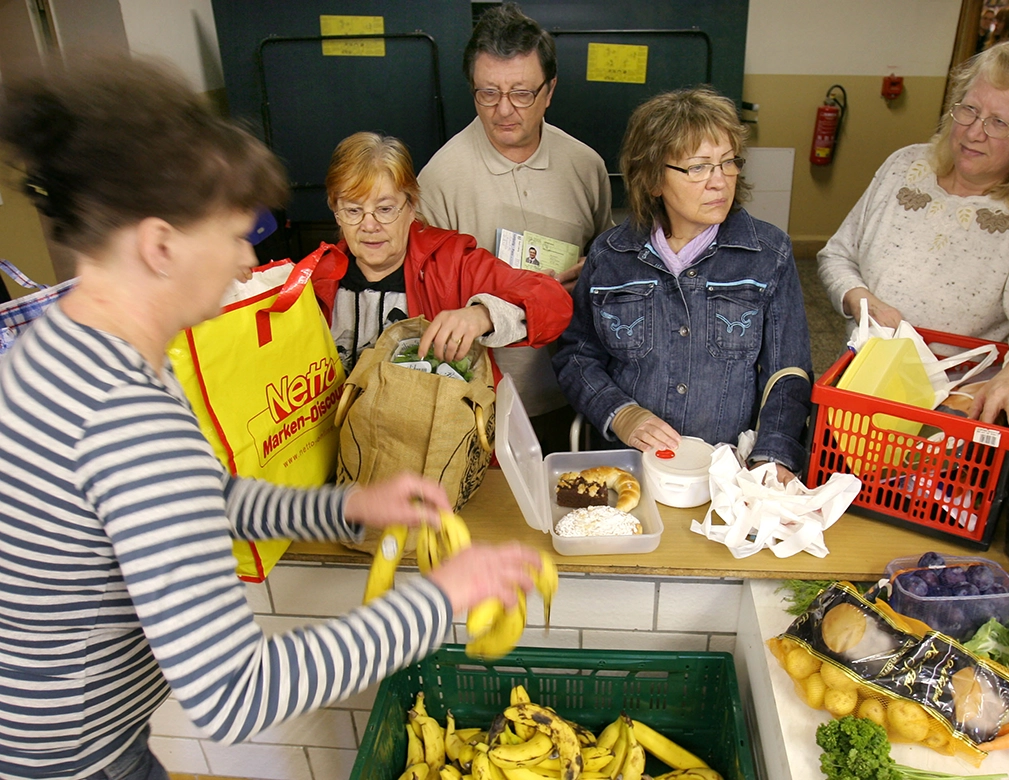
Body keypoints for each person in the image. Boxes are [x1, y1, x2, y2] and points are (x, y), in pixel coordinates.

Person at [0, 58, 542, 780]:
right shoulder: (124, 415)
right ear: (160, 246)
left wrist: (346, 507)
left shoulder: (69, 351)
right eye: (233, 234)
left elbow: (200, 500)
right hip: (70, 764)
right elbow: (236, 693)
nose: (245, 259)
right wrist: (443, 597)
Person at [553, 87, 813, 484]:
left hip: (728, 472)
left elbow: (788, 372)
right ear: (654, 179)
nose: (719, 182)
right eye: (698, 167)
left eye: (728, 163)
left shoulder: (768, 253)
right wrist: (621, 413)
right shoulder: (610, 257)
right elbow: (576, 357)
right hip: (632, 471)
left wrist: (771, 457)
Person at [817, 39, 1009, 428]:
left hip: (951, 413)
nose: (975, 132)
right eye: (970, 110)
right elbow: (837, 255)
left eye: (999, 123)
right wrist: (861, 300)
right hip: (859, 386)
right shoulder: (904, 165)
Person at [418, 2, 613, 452]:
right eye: (488, 93)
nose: (504, 110)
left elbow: (609, 259)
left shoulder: (585, 167)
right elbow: (424, 296)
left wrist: (593, 270)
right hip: (480, 397)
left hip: (570, 385)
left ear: (549, 91)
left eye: (522, 93)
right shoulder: (441, 178)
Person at [311, 131, 573, 374]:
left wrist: (483, 315)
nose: (369, 226)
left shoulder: (452, 262)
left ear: (411, 206)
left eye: (385, 209)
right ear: (336, 212)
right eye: (353, 211)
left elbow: (553, 301)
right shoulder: (312, 279)